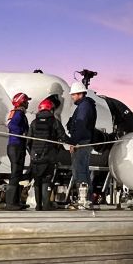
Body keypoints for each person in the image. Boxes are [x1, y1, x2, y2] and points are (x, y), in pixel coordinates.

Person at [27, 98, 65, 211]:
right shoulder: (54, 121)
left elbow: (28, 141)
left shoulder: (34, 122)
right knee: (46, 180)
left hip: (36, 157)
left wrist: (33, 154)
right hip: (49, 156)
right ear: (51, 109)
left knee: (37, 180)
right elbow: (62, 136)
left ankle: (38, 206)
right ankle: (46, 205)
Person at [65, 81, 97, 209]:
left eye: (73, 94)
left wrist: (74, 142)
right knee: (82, 169)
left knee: (80, 170)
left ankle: (84, 199)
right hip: (83, 142)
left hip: (82, 142)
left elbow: (81, 125)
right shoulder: (85, 106)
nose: (72, 97)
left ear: (80, 94)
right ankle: (87, 199)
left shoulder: (84, 107)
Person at [3, 92, 30, 209]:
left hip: (16, 146)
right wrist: (22, 133)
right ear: (22, 102)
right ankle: (10, 203)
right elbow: (12, 126)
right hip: (16, 146)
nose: (28, 103)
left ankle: (16, 201)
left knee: (17, 173)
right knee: (15, 174)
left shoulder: (17, 113)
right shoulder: (18, 114)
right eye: (26, 101)